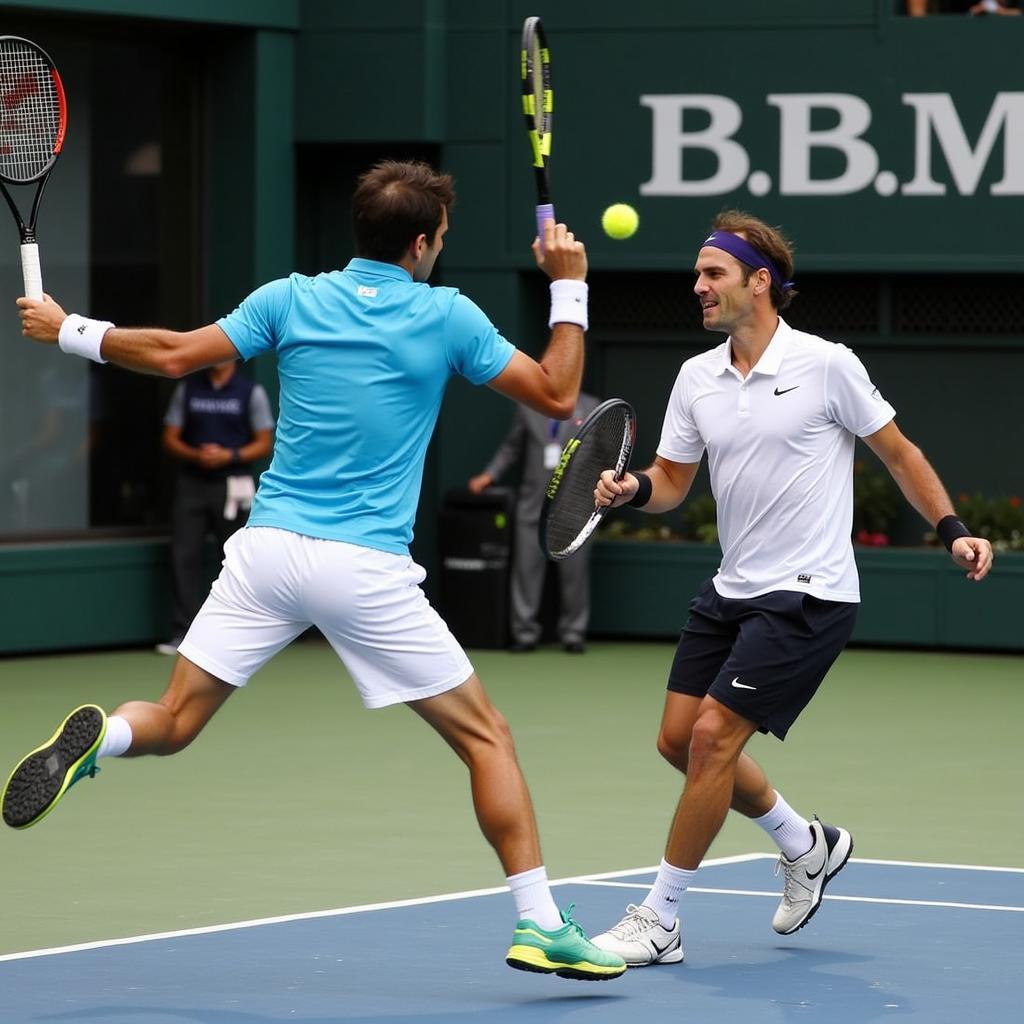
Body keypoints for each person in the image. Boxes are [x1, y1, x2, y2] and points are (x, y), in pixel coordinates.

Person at [3, 160, 625, 982]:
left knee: (175, 718)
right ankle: (541, 924)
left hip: (265, 553)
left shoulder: (289, 297)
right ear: (421, 243)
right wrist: (569, 287)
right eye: (439, 237)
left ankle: (104, 742)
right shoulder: (447, 315)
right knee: (486, 738)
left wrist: (68, 326)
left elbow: (176, 354)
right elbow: (555, 394)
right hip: (362, 566)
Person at [587, 210, 993, 966]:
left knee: (713, 739)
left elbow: (900, 455)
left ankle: (661, 917)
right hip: (731, 587)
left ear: (760, 281)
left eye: (715, 273)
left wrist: (951, 528)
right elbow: (674, 481)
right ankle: (807, 844)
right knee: (677, 741)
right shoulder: (696, 377)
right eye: (698, 274)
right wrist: (631, 488)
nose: (699, 286)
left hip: (810, 594)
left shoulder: (827, 364)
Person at [468, 391, 599, 653]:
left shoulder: (591, 407)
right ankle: (524, 633)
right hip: (533, 506)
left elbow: (601, 452)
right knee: (526, 571)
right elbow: (511, 447)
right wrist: (489, 475)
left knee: (575, 575)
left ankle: (573, 633)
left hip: (576, 507)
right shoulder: (528, 405)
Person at [157, 361, 274, 655]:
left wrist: (230, 455)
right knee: (184, 556)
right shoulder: (189, 389)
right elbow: (170, 437)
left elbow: (264, 442)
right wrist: (196, 455)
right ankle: (183, 633)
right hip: (192, 483)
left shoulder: (252, 392)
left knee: (237, 559)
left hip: (233, 485)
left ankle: (240, 637)